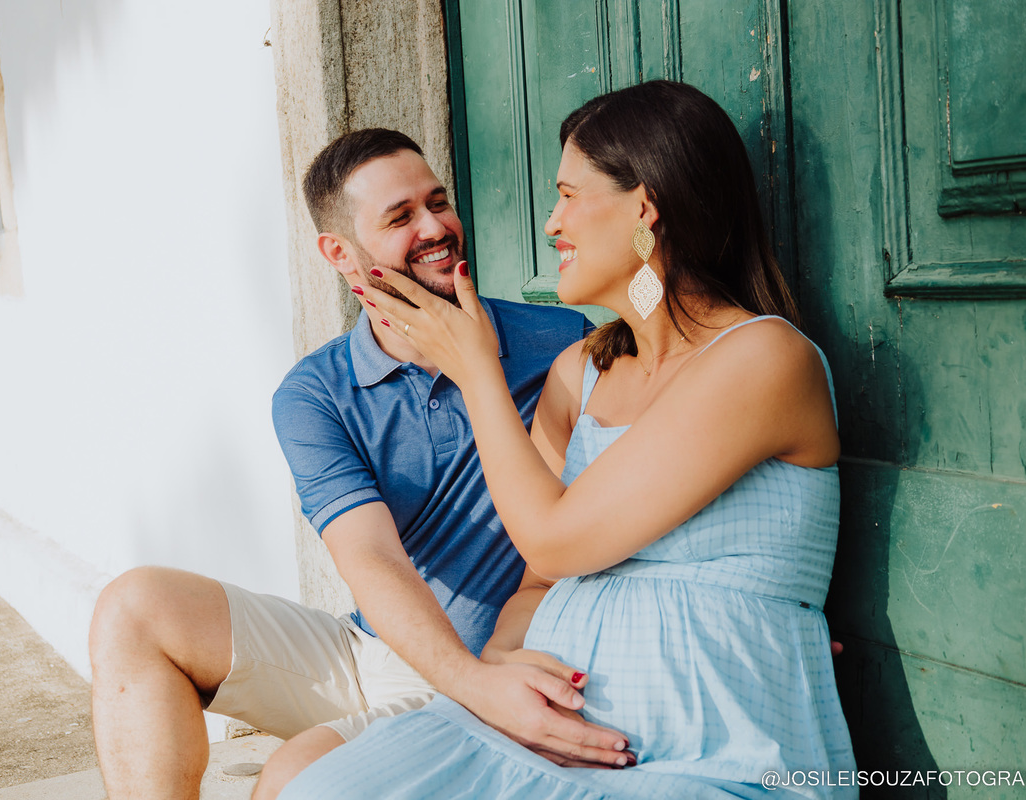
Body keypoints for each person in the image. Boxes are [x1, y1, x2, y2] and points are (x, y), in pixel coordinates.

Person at [279, 81, 857, 799]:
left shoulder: (763, 358)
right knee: (316, 789)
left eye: (569, 194)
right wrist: (501, 670)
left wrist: (475, 369)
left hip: (705, 747)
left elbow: (556, 539)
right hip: (541, 732)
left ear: (644, 208)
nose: (551, 223)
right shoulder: (579, 371)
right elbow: (538, 577)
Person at [86, 128, 641, 800]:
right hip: (377, 652)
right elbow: (369, 558)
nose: (437, 227)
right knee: (132, 610)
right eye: (401, 217)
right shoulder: (315, 392)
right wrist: (470, 684)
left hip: (502, 663)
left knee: (294, 779)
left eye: (439, 202)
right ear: (340, 254)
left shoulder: (560, 344)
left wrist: (480, 683)